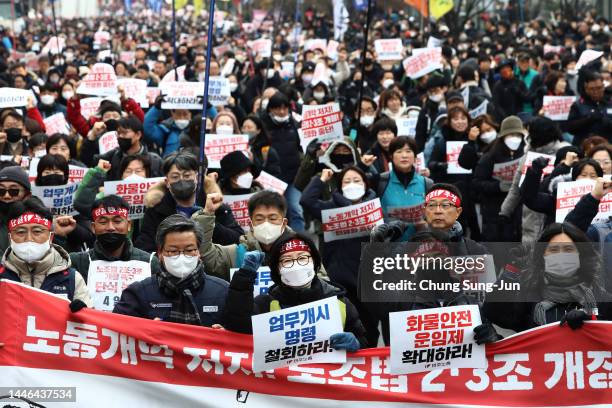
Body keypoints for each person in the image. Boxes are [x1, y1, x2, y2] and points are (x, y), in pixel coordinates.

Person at [224, 233, 368, 352]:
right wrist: (244, 276)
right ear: (277, 269)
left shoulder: (338, 302)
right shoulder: (265, 304)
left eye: (302, 258)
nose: (296, 265)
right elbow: (238, 325)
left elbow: (364, 344)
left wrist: (357, 344)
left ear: (314, 263)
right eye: (286, 260)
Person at [484, 222, 609, 332]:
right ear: (543, 256)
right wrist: (511, 271)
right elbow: (494, 313)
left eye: (568, 249)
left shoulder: (598, 295)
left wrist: (591, 320)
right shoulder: (529, 295)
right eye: (554, 250)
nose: (561, 256)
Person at [114, 214, 228, 326]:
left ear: (198, 252)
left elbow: (241, 332)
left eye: (189, 250)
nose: (181, 256)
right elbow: (118, 332)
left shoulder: (222, 291)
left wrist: (225, 336)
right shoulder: (138, 294)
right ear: (160, 253)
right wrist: (145, 332)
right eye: (173, 251)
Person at [134, 152, 243, 252]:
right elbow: (144, 247)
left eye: (187, 176)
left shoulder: (216, 206)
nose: (182, 180)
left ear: (196, 178)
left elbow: (238, 239)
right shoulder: (156, 210)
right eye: (175, 177)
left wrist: (208, 220)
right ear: (167, 182)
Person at [0, 197, 92, 308]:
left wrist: (82, 313)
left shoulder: (72, 279)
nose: (29, 238)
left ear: (51, 237)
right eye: (20, 232)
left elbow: (89, 321)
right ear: (10, 237)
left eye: (37, 231)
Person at [70, 195, 160, 283]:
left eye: (117, 221)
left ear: (129, 225)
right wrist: (59, 237)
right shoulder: (78, 262)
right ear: (93, 227)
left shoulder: (149, 262)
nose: (110, 227)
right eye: (103, 222)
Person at [472, 116, 525, 241]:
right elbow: (476, 183)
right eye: (511, 135)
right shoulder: (489, 157)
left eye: (517, 135)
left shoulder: (524, 154)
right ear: (503, 137)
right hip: (494, 210)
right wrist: (498, 186)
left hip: (517, 209)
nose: (514, 139)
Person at [370, 137, 433, 241]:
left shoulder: (427, 183)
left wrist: (424, 226)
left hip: (419, 249)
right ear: (391, 156)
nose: (404, 156)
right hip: (387, 250)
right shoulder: (380, 181)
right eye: (399, 151)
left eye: (408, 151)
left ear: (415, 156)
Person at [261, 92, 304, 232]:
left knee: (296, 210)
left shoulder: (296, 126)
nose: (281, 112)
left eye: (285, 108)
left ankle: (299, 243)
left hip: (293, 177)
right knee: (275, 213)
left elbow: (303, 147)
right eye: (277, 108)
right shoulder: (263, 126)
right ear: (270, 109)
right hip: (272, 179)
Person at [80, 115, 163, 179]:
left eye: (124, 133)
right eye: (118, 133)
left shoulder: (155, 161)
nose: (121, 136)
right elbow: (88, 160)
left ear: (138, 135)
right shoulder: (111, 157)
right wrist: (92, 136)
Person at [566, 69, 612, 147]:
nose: (596, 92)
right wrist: (588, 120)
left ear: (603, 86)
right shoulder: (578, 105)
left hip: (608, 147)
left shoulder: (610, 102)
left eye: (599, 88)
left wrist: (607, 122)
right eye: (592, 89)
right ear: (586, 89)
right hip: (585, 147)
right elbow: (570, 128)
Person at [0, 166, 32, 255]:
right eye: (1, 191)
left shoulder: (39, 221)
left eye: (13, 191)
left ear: (27, 195)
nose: (6, 196)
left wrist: (59, 237)